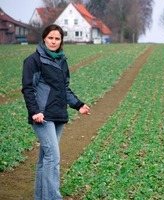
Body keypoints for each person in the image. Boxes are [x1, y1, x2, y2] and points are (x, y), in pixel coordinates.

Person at [22, 24, 90, 200]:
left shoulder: (61, 60)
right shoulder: (33, 61)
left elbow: (64, 88)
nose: (53, 41)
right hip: (42, 116)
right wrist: (35, 111)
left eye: (57, 38)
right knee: (53, 157)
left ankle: (40, 197)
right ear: (44, 38)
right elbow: (28, 89)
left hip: (58, 114)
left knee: (45, 158)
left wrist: (78, 105)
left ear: (61, 41)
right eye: (50, 38)